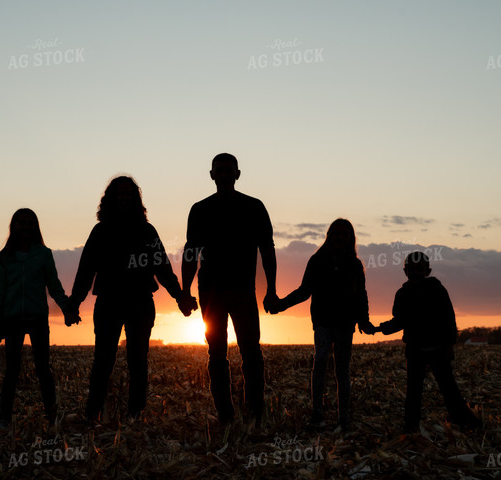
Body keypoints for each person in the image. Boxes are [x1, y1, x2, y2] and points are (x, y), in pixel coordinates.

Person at [67, 175, 196, 423]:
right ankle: (92, 414)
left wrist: (180, 296)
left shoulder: (147, 231)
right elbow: (86, 270)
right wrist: (74, 303)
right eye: (120, 194)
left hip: (140, 303)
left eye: (129, 194)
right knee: (103, 360)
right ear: (110, 200)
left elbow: (163, 268)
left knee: (138, 360)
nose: (124, 198)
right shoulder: (100, 231)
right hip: (108, 302)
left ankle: (136, 415)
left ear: (136, 200)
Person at [180, 153, 277, 427]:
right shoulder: (199, 210)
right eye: (218, 170)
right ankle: (225, 416)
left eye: (228, 170)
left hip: (244, 290)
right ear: (211, 175)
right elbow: (190, 252)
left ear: (237, 174)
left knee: (251, 352)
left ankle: (254, 416)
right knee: (217, 354)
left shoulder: (254, 207)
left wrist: (271, 289)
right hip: (210, 292)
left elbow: (267, 250)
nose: (223, 175)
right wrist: (185, 291)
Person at [271, 218, 374, 431]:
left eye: (344, 234)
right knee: (320, 363)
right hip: (323, 322)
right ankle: (317, 414)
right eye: (336, 233)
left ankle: (343, 418)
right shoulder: (317, 261)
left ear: (350, 239)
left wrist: (363, 319)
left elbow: (360, 295)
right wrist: (281, 305)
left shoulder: (354, 266)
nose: (339, 237)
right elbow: (304, 291)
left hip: (345, 323)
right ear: (329, 236)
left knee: (342, 370)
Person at [378, 251, 482, 433]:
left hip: (438, 348)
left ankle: (465, 421)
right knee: (413, 391)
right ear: (405, 271)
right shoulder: (402, 294)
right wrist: (379, 328)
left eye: (420, 269)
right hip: (415, 349)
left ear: (428, 270)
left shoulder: (437, 290)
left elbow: (449, 318)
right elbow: (399, 321)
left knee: (449, 388)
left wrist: (450, 344)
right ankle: (411, 426)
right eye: (412, 269)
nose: (415, 272)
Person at [0, 208, 70, 428]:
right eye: (21, 223)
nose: (25, 227)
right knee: (11, 371)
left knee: (43, 369)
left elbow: (53, 285)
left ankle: (51, 415)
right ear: (14, 227)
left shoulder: (44, 254)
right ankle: (3, 417)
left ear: (35, 227)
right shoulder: (5, 257)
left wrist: (67, 307)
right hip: (12, 320)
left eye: (29, 223)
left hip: (37, 318)